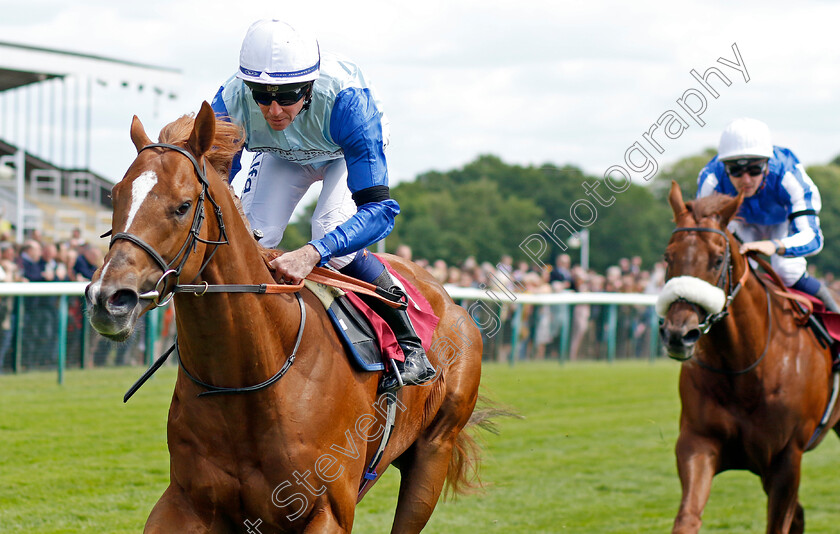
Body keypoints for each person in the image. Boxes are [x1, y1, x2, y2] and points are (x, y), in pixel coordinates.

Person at [211, 19, 435, 390]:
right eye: (261, 95)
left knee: (331, 233)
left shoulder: (349, 102)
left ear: (310, 85)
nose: (273, 110)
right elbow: (215, 181)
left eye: (287, 95)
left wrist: (313, 253)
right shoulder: (229, 100)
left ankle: (409, 344)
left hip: (342, 151)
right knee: (255, 236)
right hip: (283, 154)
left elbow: (379, 212)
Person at [697, 117, 840, 312]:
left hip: (782, 222)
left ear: (767, 164)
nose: (745, 179)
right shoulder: (711, 180)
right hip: (741, 223)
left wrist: (774, 245)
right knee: (734, 269)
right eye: (736, 170)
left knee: (787, 271)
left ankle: (833, 312)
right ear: (724, 167)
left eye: (754, 169)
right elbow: (701, 236)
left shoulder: (789, 176)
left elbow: (813, 238)